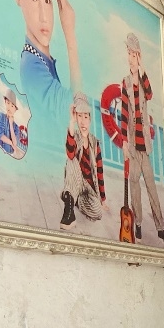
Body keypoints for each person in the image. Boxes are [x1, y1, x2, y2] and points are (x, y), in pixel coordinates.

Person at [5, 0, 80, 122]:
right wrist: (70, 34)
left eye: (47, 0)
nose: (44, 16)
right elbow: (76, 111)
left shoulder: (42, 61)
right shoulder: (32, 66)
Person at [120, 31, 164, 244]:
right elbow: (124, 113)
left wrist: (142, 70)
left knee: (151, 187)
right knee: (135, 187)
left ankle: (160, 228)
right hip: (133, 146)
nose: (131, 58)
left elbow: (149, 94)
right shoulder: (125, 82)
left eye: (134, 54)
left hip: (145, 147)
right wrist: (124, 142)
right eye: (129, 53)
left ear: (139, 56)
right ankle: (138, 224)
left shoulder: (142, 80)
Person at [60, 91, 106, 230]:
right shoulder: (74, 136)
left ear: (90, 119)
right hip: (76, 179)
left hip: (88, 187)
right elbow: (70, 153)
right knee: (71, 160)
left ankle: (73, 199)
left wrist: (103, 198)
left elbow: (99, 171)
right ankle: (69, 211)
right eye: (79, 116)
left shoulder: (95, 143)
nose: (82, 121)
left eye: (85, 116)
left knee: (97, 212)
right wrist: (71, 121)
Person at [0, 88, 22, 157]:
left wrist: (11, 124)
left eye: (12, 106)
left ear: (15, 109)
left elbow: (15, 143)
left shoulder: (16, 127)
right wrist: (11, 143)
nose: (9, 107)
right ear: (5, 103)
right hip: (0, 151)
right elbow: (0, 134)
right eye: (8, 103)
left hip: (11, 155)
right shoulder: (1, 116)